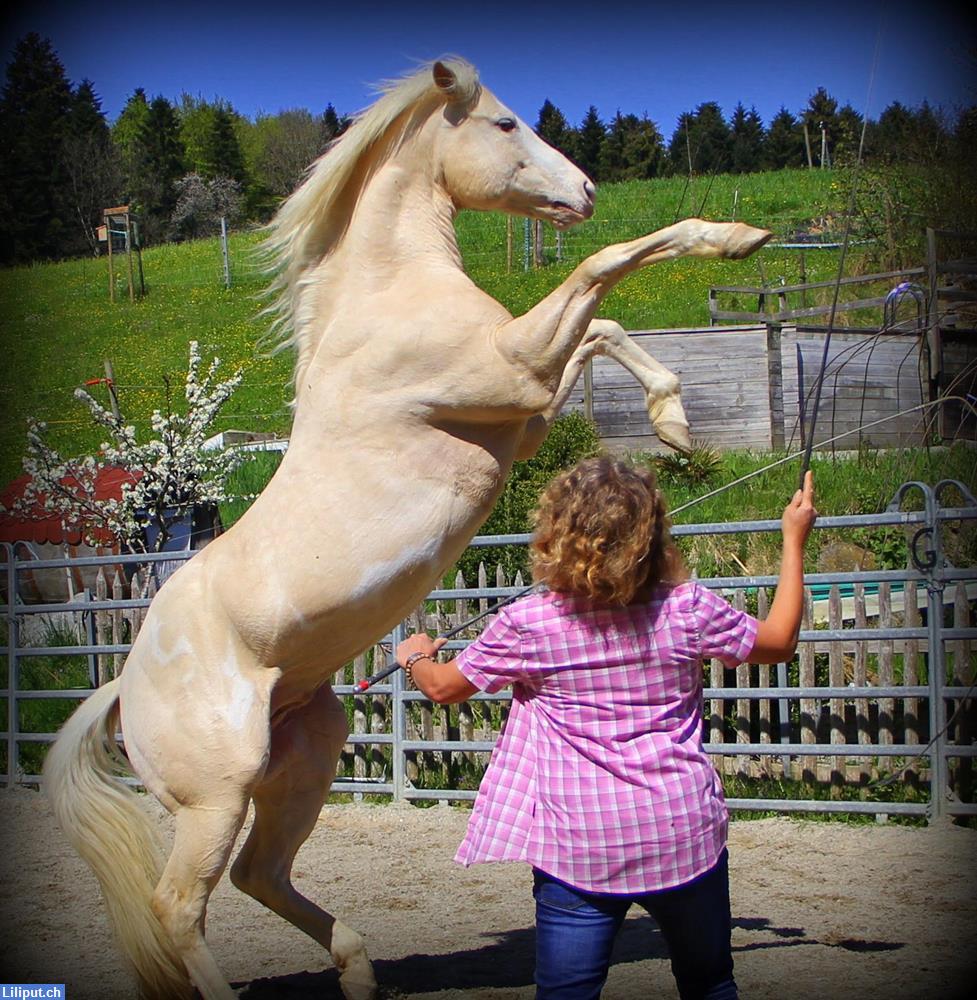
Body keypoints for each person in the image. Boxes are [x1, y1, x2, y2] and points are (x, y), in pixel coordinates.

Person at [396, 456, 817, 1000]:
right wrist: (794, 538)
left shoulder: (528, 624)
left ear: (557, 530)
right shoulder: (687, 608)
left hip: (579, 844)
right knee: (710, 984)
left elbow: (443, 688)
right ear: (651, 531)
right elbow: (780, 640)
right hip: (681, 829)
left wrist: (414, 656)